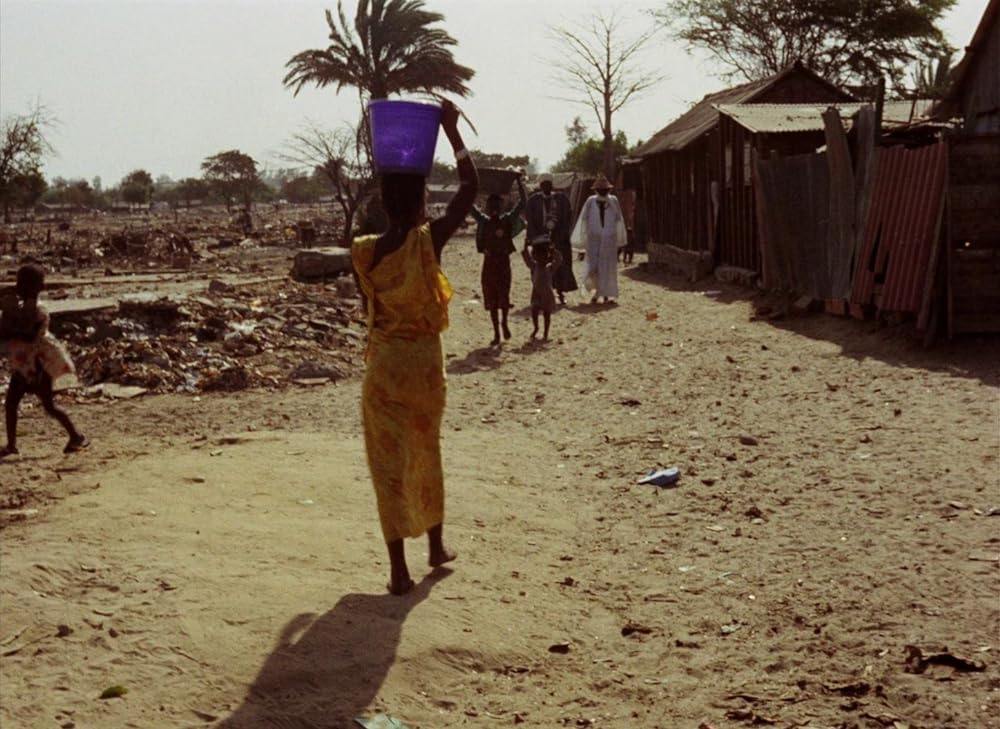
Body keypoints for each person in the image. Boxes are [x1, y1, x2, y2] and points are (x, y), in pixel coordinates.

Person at [351, 100, 478, 596]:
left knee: (387, 464)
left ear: (383, 199)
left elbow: (371, 302)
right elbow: (469, 189)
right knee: (426, 451)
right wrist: (450, 131)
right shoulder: (430, 241)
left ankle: (398, 571)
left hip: (382, 370)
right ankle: (435, 547)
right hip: (424, 368)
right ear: (423, 197)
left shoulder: (364, 251)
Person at [1, 264, 88, 459]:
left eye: (25, 284)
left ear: (37, 287)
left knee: (49, 406)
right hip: (24, 365)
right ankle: (12, 445)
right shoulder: (20, 309)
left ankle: (77, 436)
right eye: (19, 283)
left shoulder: (40, 311)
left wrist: (8, 329)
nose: (20, 288)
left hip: (39, 366)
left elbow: (30, 337)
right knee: (11, 404)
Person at [471, 178, 527, 345]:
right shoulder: (483, 221)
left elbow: (523, 202)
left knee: (504, 296)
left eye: (497, 206)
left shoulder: (508, 220)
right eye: (491, 206)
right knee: (492, 299)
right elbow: (469, 206)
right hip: (489, 263)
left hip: (503, 262)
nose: (494, 209)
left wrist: (518, 181)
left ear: (501, 207)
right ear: (487, 208)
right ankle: (496, 332)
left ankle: (504, 323)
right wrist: (469, 186)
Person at [571, 174, 627, 304]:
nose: (603, 191)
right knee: (593, 267)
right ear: (596, 190)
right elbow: (584, 219)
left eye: (605, 189)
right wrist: (584, 238)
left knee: (607, 267)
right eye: (600, 189)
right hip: (594, 239)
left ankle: (606, 293)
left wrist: (619, 238)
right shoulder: (590, 201)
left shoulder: (613, 201)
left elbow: (618, 219)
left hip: (609, 239)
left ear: (609, 190)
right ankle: (596, 291)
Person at [525, 173, 576, 304]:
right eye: (543, 185)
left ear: (552, 185)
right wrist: (533, 238)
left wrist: (561, 234)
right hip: (540, 240)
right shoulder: (533, 201)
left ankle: (560, 292)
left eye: (548, 184)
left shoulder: (561, 199)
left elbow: (568, 217)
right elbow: (530, 220)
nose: (546, 187)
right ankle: (540, 293)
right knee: (540, 267)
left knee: (559, 266)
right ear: (540, 186)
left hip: (558, 238)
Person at [521, 239, 562, 340]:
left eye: (544, 255)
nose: (541, 258)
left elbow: (559, 260)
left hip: (547, 295)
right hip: (536, 293)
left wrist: (553, 250)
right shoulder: (534, 266)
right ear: (535, 256)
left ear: (548, 257)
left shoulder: (549, 268)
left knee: (546, 315)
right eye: (538, 255)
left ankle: (545, 333)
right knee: (534, 312)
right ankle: (536, 328)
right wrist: (525, 247)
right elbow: (526, 258)